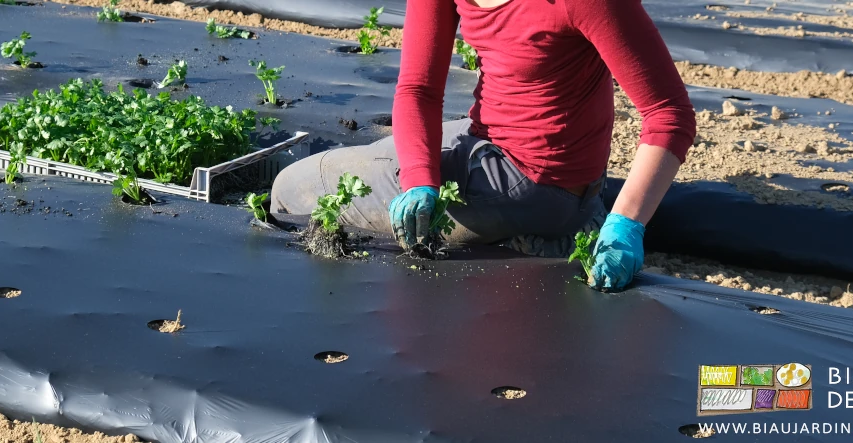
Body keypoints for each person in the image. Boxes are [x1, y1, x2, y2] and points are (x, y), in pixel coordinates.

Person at [270, 0, 696, 291]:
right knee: (391, 160)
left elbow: (669, 113)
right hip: (491, 143)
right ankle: (541, 228)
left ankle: (546, 231)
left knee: (291, 188)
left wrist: (626, 224)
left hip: (534, 182)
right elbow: (418, 89)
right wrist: (419, 179)